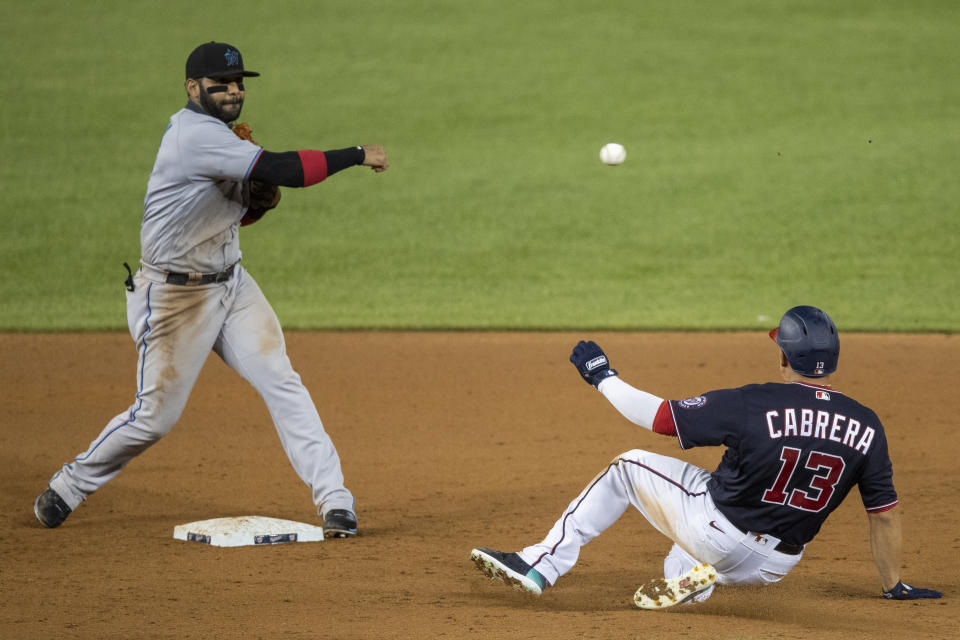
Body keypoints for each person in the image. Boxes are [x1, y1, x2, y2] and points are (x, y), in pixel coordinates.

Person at [33, 41, 389, 538]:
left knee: (281, 380)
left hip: (232, 285)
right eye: (221, 83)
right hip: (175, 299)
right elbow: (287, 170)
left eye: (239, 82)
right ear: (192, 88)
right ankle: (69, 485)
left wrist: (258, 206)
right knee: (155, 416)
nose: (233, 90)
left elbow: (234, 214)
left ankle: (336, 502)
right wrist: (356, 154)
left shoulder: (223, 140)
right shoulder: (195, 137)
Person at [470, 306, 942, 607]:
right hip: (776, 566)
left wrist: (602, 376)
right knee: (688, 552)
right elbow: (884, 514)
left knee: (629, 466)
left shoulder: (755, 401)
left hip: (718, 531)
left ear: (784, 358)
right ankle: (698, 582)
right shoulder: (867, 425)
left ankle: (540, 564)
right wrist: (894, 585)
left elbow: (657, 417)